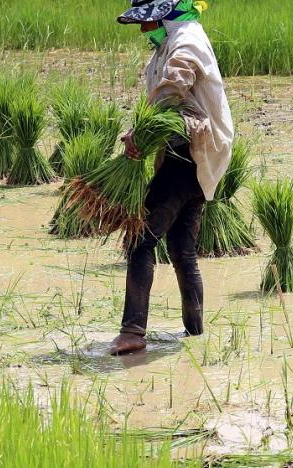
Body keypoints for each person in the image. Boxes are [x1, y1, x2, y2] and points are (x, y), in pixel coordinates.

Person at [110, 0, 234, 355]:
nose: (143, 28)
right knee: (182, 247)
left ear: (166, 16)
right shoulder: (172, 43)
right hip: (192, 156)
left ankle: (132, 332)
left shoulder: (186, 42)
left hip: (188, 158)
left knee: (140, 240)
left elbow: (174, 87)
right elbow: (164, 101)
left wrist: (142, 134)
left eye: (147, 22)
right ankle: (195, 332)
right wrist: (141, 132)